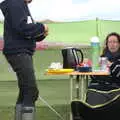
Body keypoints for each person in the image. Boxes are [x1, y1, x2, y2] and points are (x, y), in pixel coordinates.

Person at [0, 0, 48, 120]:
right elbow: (22, 27)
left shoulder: (19, 4)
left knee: (25, 91)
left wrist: (42, 33)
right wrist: (42, 27)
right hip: (18, 52)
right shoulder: (16, 3)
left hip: (20, 51)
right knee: (31, 91)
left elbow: (25, 32)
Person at [86, 32, 120, 105]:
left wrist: (111, 65)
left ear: (119, 44)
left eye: (115, 42)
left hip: (115, 86)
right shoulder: (102, 57)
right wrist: (92, 67)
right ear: (107, 44)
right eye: (110, 42)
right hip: (98, 85)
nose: (112, 44)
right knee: (92, 88)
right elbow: (94, 76)